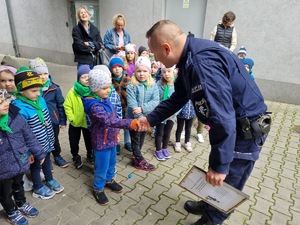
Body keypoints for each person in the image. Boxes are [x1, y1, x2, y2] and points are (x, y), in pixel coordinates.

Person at [141, 20, 271, 225]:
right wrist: (150, 119)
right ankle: (209, 204)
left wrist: (220, 166)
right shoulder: (189, 57)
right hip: (232, 127)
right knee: (216, 173)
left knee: (228, 178)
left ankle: (213, 219)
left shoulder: (202, 64)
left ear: (166, 48)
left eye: (155, 54)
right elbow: (178, 97)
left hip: (244, 131)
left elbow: (222, 116)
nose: (155, 61)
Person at [81, 67, 139, 205]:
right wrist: (130, 123)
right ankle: (98, 188)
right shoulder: (93, 105)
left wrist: (116, 134)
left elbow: (114, 116)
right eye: (104, 88)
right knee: (101, 166)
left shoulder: (103, 97)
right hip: (101, 142)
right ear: (95, 88)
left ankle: (109, 179)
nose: (108, 90)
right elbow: (109, 120)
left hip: (111, 139)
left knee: (112, 163)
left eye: (109, 87)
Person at [13, 67, 64, 200]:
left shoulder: (40, 100)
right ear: (21, 91)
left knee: (47, 162)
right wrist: (28, 152)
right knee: (36, 167)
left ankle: (50, 179)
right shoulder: (19, 108)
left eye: (39, 89)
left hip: (46, 142)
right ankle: (38, 186)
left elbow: (46, 118)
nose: (38, 93)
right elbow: (21, 134)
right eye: (33, 91)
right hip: (34, 147)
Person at [0, 89, 45, 225]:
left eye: (6, 99)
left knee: (19, 184)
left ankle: (21, 203)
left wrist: (39, 153)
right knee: (5, 193)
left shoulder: (14, 115)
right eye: (1, 102)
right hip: (2, 170)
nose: (6, 103)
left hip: (19, 162)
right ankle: (11, 211)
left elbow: (29, 136)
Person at [29, 57, 68, 168]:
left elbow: (61, 106)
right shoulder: (31, 91)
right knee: (40, 142)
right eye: (39, 74)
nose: (43, 77)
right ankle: (46, 161)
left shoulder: (55, 88)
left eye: (45, 73)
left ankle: (57, 155)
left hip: (53, 121)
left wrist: (62, 122)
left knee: (54, 140)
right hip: (38, 123)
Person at [126, 56, 159, 171]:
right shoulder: (131, 85)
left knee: (142, 138)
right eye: (139, 71)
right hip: (134, 118)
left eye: (145, 71)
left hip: (146, 117)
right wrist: (139, 115)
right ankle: (139, 160)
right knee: (135, 139)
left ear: (149, 72)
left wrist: (143, 109)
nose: (141, 74)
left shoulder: (153, 85)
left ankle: (135, 158)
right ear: (135, 72)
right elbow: (132, 103)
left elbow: (155, 101)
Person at [64, 65, 93, 168]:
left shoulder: (93, 90)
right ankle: (75, 156)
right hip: (75, 122)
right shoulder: (73, 91)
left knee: (89, 140)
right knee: (74, 140)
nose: (86, 79)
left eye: (88, 76)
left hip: (88, 122)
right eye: (83, 77)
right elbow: (67, 105)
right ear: (78, 79)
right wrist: (71, 118)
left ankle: (90, 154)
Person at [109, 57, 132, 152]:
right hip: (115, 109)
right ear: (111, 69)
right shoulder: (109, 81)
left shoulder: (128, 80)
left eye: (119, 66)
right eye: (114, 67)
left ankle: (127, 142)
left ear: (123, 68)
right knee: (116, 127)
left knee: (127, 126)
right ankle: (116, 142)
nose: (117, 69)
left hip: (126, 108)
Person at [154, 65, 177, 161]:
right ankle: (158, 149)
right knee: (160, 132)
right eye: (164, 72)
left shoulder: (177, 85)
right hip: (161, 113)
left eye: (169, 71)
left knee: (167, 132)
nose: (166, 74)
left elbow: (179, 101)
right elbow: (157, 99)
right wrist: (162, 112)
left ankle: (165, 148)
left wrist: (173, 113)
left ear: (174, 72)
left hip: (172, 115)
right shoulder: (159, 84)